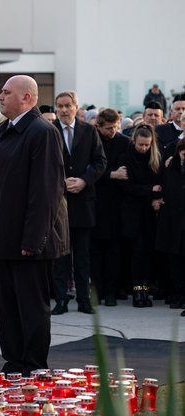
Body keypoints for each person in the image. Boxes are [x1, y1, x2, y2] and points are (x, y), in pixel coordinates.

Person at [0, 75, 69, 376]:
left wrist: (33, 240)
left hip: (27, 242)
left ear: (27, 98)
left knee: (31, 309)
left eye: (6, 92)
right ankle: (13, 363)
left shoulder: (42, 132)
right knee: (7, 308)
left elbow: (46, 191)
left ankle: (34, 366)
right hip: (1, 237)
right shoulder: (3, 130)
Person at [50, 91, 106, 316]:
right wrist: (60, 183)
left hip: (83, 202)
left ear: (76, 107)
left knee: (82, 256)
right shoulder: (49, 131)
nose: (63, 110)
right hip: (58, 204)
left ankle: (84, 299)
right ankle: (61, 299)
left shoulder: (89, 131)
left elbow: (100, 161)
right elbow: (44, 164)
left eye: (67, 106)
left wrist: (84, 180)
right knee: (60, 257)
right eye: (59, 106)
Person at [90, 109, 131, 306]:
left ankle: (112, 292)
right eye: (108, 128)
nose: (113, 131)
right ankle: (98, 292)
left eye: (115, 127)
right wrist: (110, 175)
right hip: (95, 203)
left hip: (117, 205)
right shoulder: (91, 140)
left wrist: (111, 175)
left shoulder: (124, 142)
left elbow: (125, 171)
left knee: (114, 251)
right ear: (99, 126)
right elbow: (89, 171)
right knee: (95, 252)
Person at [118, 124, 161, 308]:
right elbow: (126, 187)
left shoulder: (155, 159)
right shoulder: (125, 158)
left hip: (149, 213)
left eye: (147, 145)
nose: (144, 148)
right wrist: (150, 191)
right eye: (141, 144)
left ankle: (144, 288)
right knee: (136, 252)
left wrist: (154, 194)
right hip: (132, 213)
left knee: (147, 253)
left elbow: (160, 184)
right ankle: (136, 291)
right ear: (134, 140)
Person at [155, 139, 185, 311]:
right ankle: (178, 294)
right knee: (174, 261)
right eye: (182, 153)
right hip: (172, 221)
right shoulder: (170, 168)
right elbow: (162, 187)